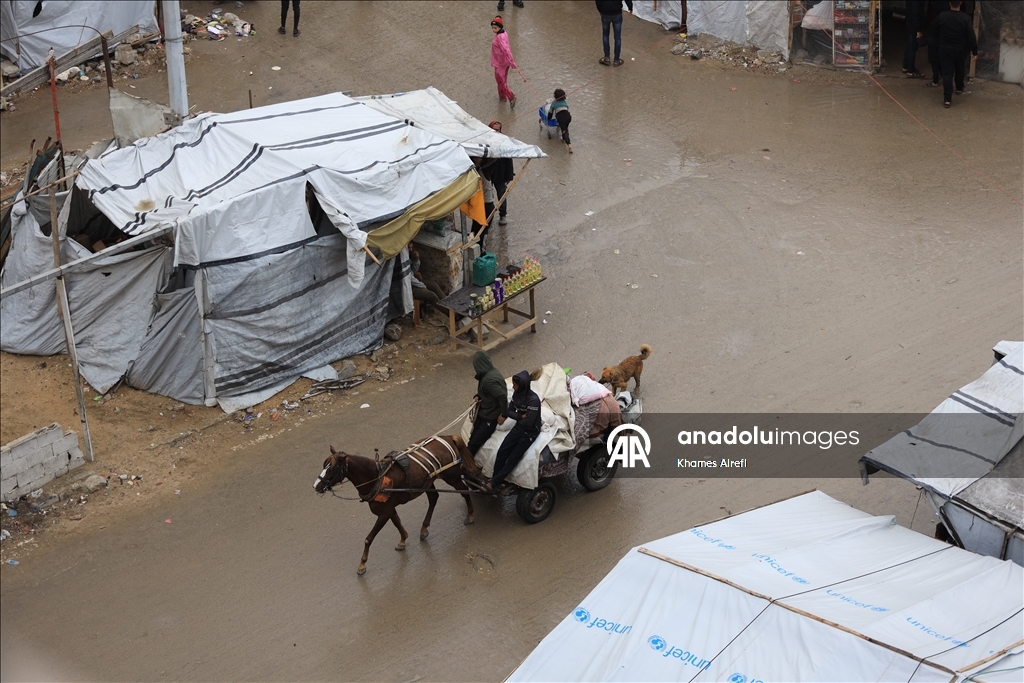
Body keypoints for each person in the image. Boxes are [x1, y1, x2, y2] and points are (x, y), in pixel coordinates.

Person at [482, 371, 541, 492]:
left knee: (513, 458)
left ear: (523, 386)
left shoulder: (533, 401)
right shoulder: (517, 394)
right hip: (518, 428)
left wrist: (518, 417)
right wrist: (520, 416)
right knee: (502, 451)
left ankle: (494, 482)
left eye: (515, 385)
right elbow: (509, 411)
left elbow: (529, 422)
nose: (513, 387)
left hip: (530, 433)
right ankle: (495, 477)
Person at [935, 0, 977, 108]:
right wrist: (974, 51)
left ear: (949, 3)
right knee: (960, 68)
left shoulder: (942, 16)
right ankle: (959, 88)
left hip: (945, 49)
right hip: (961, 49)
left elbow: (934, 30)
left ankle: (947, 99)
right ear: (961, 3)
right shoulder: (966, 18)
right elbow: (971, 36)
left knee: (947, 74)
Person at [469, 351, 508, 456]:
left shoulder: (488, 380)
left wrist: (504, 414)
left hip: (490, 415)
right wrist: (479, 395)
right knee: (473, 436)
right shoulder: (490, 372)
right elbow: (490, 391)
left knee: (474, 442)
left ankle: (466, 464)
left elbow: (502, 396)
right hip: (485, 410)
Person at [485, 121, 515, 225]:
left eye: (498, 130)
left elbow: (508, 159)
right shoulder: (484, 139)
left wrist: (509, 175)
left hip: (500, 173)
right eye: (494, 129)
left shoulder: (504, 140)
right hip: (487, 173)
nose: (496, 132)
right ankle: (487, 215)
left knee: (502, 194)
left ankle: (503, 215)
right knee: (486, 195)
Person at [490, 16, 518, 108]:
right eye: (493, 28)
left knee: (500, 81)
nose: (493, 30)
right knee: (503, 80)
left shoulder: (499, 37)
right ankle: (502, 98)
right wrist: (511, 62)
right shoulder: (504, 33)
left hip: (500, 62)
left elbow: (506, 50)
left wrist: (512, 62)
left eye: (495, 28)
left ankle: (511, 96)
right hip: (504, 62)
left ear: (500, 27)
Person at [596, 0, 633, 67]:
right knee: (617, 38)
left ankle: (606, 57)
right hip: (617, 14)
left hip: (605, 14)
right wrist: (630, 8)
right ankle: (616, 60)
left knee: (605, 35)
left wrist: (600, 10)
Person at [409, 249, 446, 315]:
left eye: (411, 247)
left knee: (434, 286)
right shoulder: (401, 258)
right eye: (409, 248)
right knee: (431, 295)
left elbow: (413, 271)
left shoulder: (408, 255)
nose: (410, 250)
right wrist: (422, 286)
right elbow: (409, 277)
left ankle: (451, 305)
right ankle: (451, 313)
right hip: (407, 286)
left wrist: (416, 260)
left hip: (413, 280)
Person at [902, 1, 926, 77]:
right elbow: (915, 14)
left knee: (909, 45)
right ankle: (911, 70)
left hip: (910, 24)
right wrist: (918, 30)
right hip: (913, 26)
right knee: (913, 47)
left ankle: (905, 66)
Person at [550, 89, 572, 154]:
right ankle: (563, 139)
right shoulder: (565, 102)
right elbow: (567, 109)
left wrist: (548, 118)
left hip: (561, 118)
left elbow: (550, 112)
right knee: (565, 128)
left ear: (555, 96)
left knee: (564, 131)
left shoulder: (554, 103)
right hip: (568, 117)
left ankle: (569, 144)